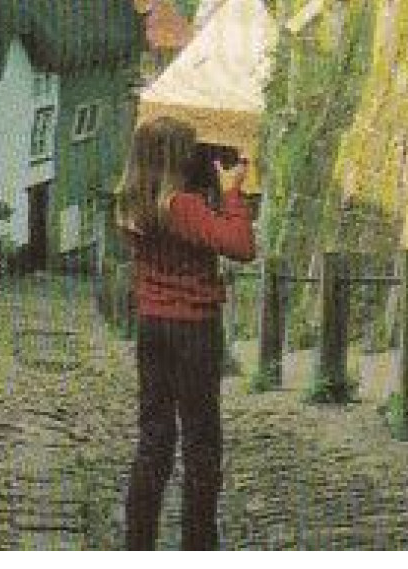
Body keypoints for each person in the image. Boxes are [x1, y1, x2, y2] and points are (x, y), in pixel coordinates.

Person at [117, 117, 256, 550]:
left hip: (151, 325)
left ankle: (138, 545)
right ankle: (199, 545)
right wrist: (232, 193)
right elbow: (241, 247)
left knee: (154, 436)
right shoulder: (183, 207)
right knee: (201, 439)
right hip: (194, 327)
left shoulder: (130, 203)